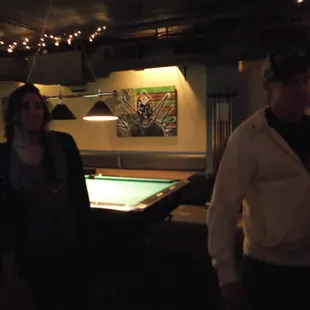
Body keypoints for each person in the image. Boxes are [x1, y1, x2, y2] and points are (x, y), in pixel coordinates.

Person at [207, 46, 310, 310]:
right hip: (266, 270)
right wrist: (226, 274)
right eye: (289, 82)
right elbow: (223, 207)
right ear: (268, 86)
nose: (301, 89)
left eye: (306, 80)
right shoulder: (249, 136)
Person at [0, 83, 91, 310]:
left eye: (38, 106)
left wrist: (88, 240)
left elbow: (79, 194)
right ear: (13, 114)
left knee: (76, 302)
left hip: (70, 246)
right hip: (30, 253)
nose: (33, 112)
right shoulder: (3, 155)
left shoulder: (64, 143)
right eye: (25, 107)